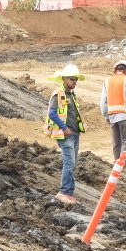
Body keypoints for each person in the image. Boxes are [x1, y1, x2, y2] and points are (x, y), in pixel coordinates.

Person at [46, 64, 86, 204]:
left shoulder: (71, 95)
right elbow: (51, 113)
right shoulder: (58, 93)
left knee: (72, 163)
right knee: (69, 163)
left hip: (74, 134)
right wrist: (64, 128)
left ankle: (68, 193)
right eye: (72, 79)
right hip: (65, 135)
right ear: (64, 79)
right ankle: (64, 193)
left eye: (76, 79)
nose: (74, 81)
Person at [99, 60, 126, 165]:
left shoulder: (107, 81)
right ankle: (121, 166)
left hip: (112, 116)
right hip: (124, 116)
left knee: (117, 142)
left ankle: (116, 163)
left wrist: (106, 116)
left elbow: (103, 102)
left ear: (115, 70)